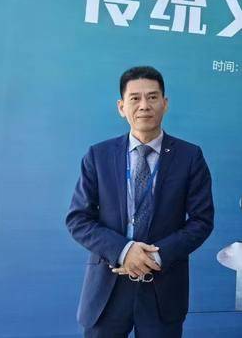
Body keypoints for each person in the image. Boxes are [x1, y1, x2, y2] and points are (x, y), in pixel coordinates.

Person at [66, 66, 214, 337]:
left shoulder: (189, 156)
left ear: (165, 103)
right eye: (135, 98)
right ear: (121, 107)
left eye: (152, 97)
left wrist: (154, 256)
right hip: (108, 288)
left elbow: (201, 221)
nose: (144, 105)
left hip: (162, 289)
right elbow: (78, 219)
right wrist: (124, 250)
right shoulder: (98, 156)